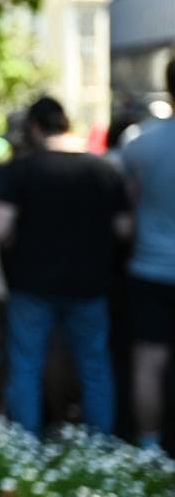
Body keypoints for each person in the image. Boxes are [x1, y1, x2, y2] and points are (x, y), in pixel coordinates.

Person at [0, 96, 131, 436]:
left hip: (31, 284)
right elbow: (125, 228)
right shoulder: (103, 170)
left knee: (27, 366)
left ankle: (26, 446)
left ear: (34, 128)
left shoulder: (22, 170)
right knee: (94, 366)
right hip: (90, 284)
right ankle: (101, 446)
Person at [121, 59, 175, 452]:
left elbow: (127, 210)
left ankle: (151, 445)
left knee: (148, 362)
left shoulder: (140, 145)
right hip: (150, 267)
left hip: (150, 267)